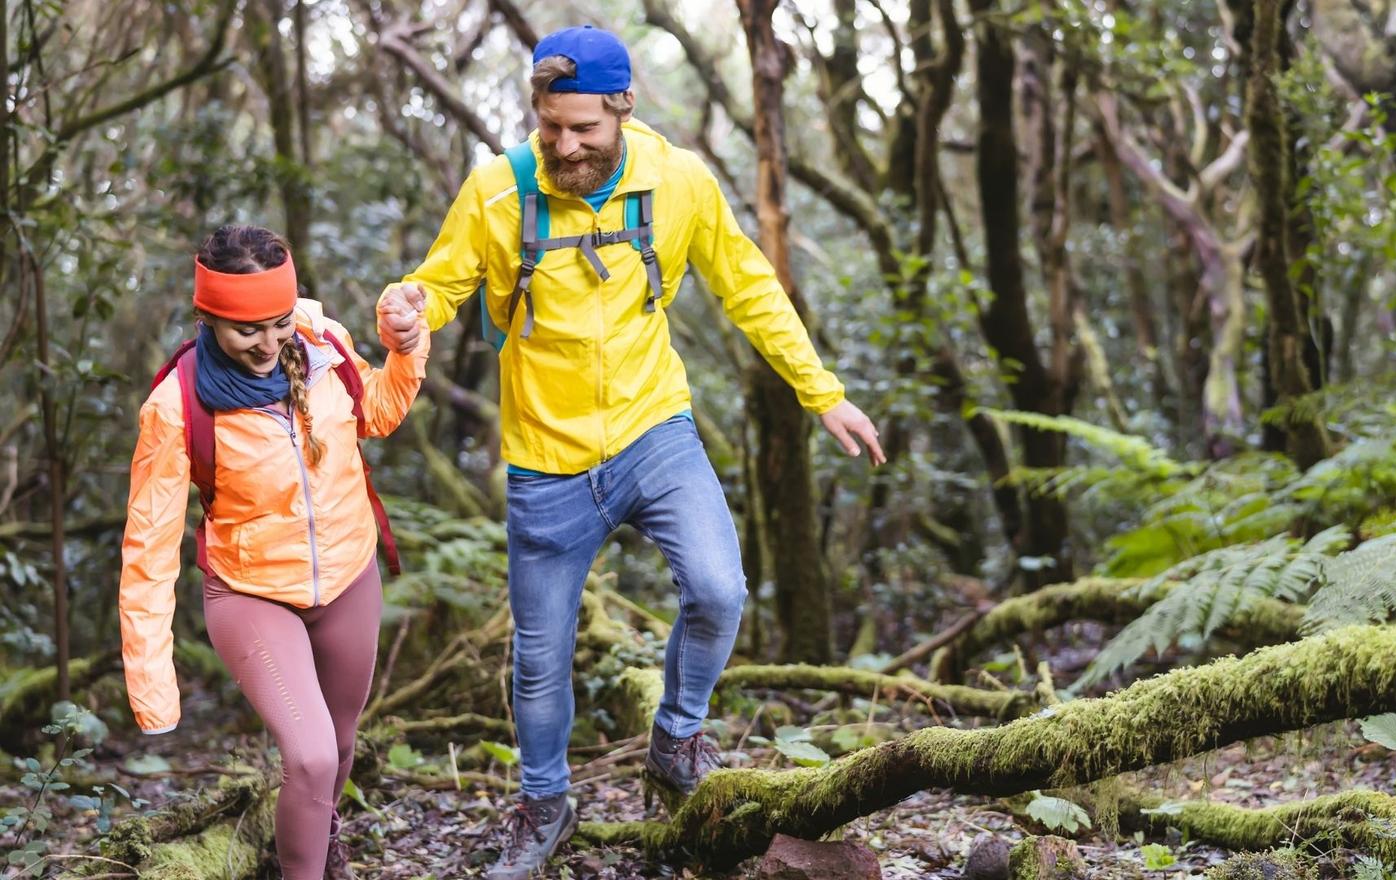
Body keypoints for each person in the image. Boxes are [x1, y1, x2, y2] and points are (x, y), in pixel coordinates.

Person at [377, 24, 884, 877]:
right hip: (546, 456)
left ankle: (676, 741)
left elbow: (748, 283)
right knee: (539, 659)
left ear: (624, 108)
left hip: (655, 432)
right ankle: (545, 803)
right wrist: (406, 310)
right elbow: (441, 283)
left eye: (584, 129)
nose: (566, 147)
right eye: (551, 129)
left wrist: (820, 392)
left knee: (721, 590)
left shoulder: (677, 179)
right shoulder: (498, 192)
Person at [119, 225, 429, 880]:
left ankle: (321, 836)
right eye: (247, 330)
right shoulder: (176, 407)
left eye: (279, 322)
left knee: (340, 748)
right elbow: (148, 549)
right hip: (251, 595)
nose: (267, 343)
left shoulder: (324, 347)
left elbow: (377, 412)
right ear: (211, 316)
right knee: (312, 756)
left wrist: (405, 352)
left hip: (350, 577)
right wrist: (152, 687)